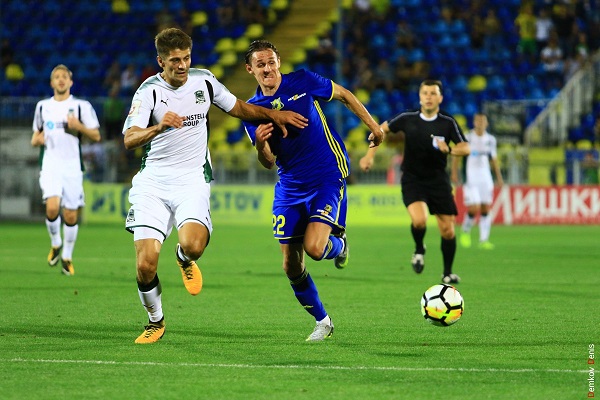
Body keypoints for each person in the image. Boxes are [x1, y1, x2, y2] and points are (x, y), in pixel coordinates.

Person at [122, 28, 308, 344]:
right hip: (153, 182)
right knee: (145, 265)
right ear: (161, 61)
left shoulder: (204, 81)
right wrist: (159, 126)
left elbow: (239, 108)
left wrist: (275, 116)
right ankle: (156, 321)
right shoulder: (148, 92)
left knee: (194, 245)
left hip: (192, 179)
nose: (182, 65)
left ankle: (184, 258)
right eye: (174, 60)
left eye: (186, 58)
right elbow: (129, 139)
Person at [241, 40, 383, 342]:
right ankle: (323, 321)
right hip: (290, 186)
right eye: (260, 64)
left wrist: (374, 126)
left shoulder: (303, 81)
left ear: (279, 61)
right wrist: (261, 143)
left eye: (271, 62)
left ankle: (340, 246)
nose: (267, 69)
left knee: (316, 249)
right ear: (250, 69)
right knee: (291, 265)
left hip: (325, 174)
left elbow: (344, 95)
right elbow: (268, 162)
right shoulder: (251, 110)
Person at [359, 79, 469, 284]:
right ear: (420, 97)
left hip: (438, 180)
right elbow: (380, 130)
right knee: (419, 221)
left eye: (433, 93)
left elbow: (466, 147)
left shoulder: (447, 122)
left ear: (440, 98)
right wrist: (369, 156)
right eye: (425, 93)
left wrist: (450, 149)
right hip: (413, 179)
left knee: (448, 230)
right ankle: (419, 249)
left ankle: (447, 273)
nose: (428, 97)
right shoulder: (407, 118)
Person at [31, 64, 101, 276]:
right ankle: (56, 243)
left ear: (70, 82)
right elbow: (35, 137)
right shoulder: (42, 107)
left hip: (72, 167)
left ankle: (67, 257)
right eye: (57, 77)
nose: (61, 79)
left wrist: (79, 127)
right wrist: (37, 140)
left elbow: (96, 136)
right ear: (52, 83)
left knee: (70, 215)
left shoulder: (81, 106)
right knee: (52, 208)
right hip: (50, 165)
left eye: (64, 76)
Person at [450, 113, 503, 250]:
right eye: (478, 121)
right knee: (474, 208)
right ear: (474, 123)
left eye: (483, 121)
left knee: (485, 209)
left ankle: (484, 240)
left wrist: (499, 177)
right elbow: (457, 155)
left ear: (487, 123)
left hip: (486, 178)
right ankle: (465, 231)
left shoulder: (491, 140)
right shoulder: (467, 137)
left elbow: (494, 160)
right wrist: (454, 172)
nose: (480, 123)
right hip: (471, 178)